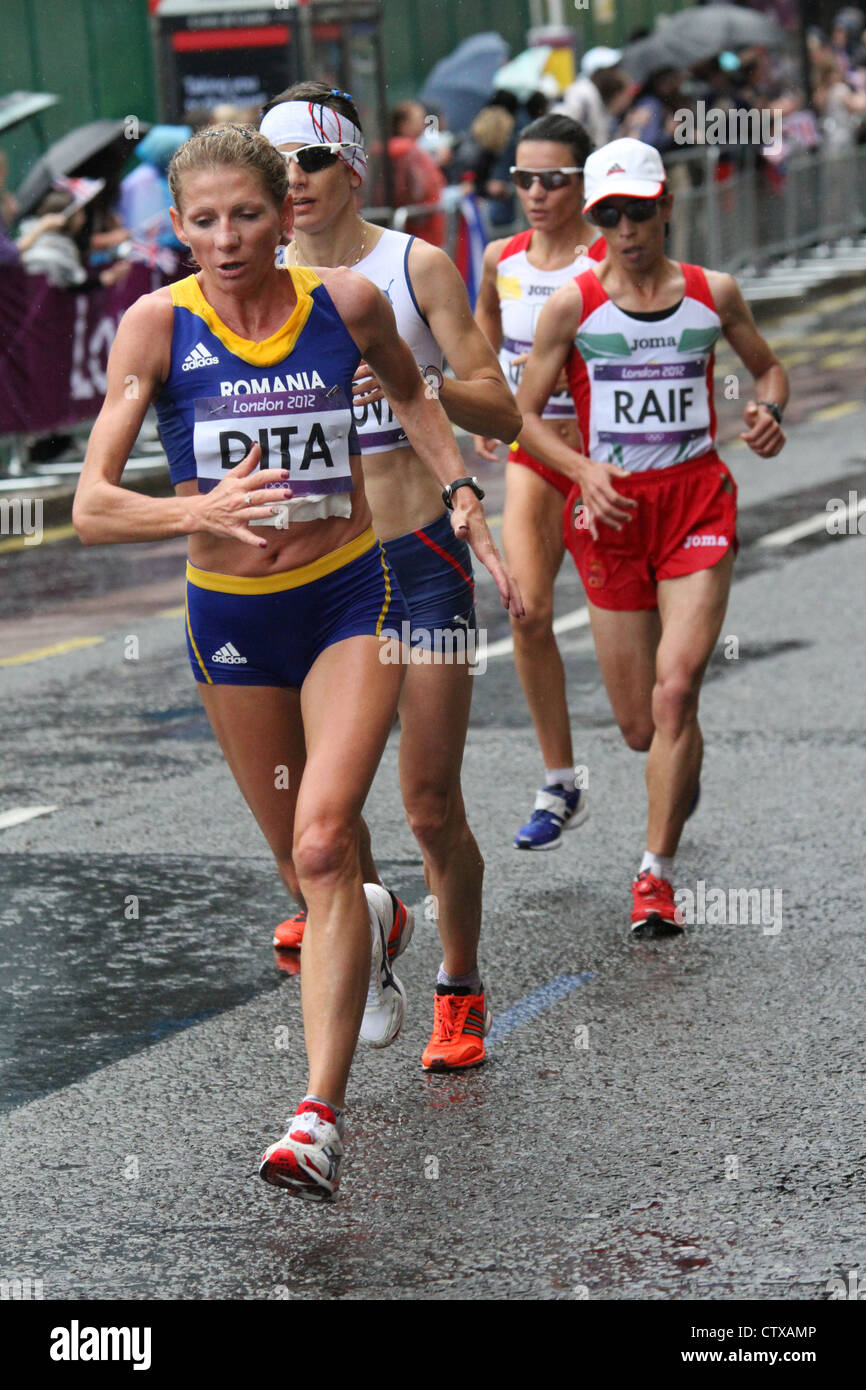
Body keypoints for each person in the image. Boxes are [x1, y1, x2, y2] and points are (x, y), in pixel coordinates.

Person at [72, 124, 518, 1200]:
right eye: (203, 220)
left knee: (324, 842)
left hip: (343, 600)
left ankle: (314, 1119)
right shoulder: (153, 327)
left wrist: (455, 487)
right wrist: (198, 506)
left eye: (248, 215)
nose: (227, 240)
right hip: (231, 620)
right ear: (176, 226)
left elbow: (413, 392)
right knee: (301, 860)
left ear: (285, 215)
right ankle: (368, 916)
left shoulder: (347, 307)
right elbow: (90, 505)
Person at [259, 83, 523, 1071]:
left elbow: (497, 410)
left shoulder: (411, 268)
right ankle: (372, 918)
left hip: (418, 560)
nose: (292, 184)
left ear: (353, 167)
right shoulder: (258, 281)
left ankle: (459, 981)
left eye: (311, 163)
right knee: (319, 806)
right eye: (274, 166)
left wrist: (417, 386)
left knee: (426, 802)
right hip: (320, 574)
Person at [516, 137, 788, 936]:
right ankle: (677, 763)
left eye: (640, 212)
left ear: (667, 205)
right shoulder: (573, 304)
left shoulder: (713, 292)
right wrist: (581, 469)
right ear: (596, 220)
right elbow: (522, 418)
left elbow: (768, 368)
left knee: (678, 691)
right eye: (610, 216)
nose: (627, 230)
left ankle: (654, 874)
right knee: (641, 726)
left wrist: (769, 408)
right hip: (611, 517)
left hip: (696, 504)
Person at [472, 113, 604, 850]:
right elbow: (484, 331)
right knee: (525, 611)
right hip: (535, 453)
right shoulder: (503, 257)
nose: (535, 192)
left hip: (611, 456)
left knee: (640, 642)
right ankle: (560, 782)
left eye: (553, 179)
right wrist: (493, 400)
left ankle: (667, 741)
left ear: (583, 183)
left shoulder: (608, 258)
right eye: (524, 178)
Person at [387, 100, 447, 246]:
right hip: (419, 230)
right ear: (403, 124)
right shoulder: (404, 150)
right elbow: (418, 190)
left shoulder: (409, 148)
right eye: (419, 119)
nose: (423, 124)